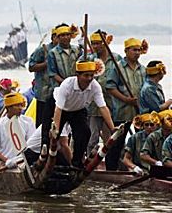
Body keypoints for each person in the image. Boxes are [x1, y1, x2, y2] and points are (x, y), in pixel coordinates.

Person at [52, 61, 116, 167]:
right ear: (77, 75)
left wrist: (112, 128)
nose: (89, 78)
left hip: (78, 109)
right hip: (59, 108)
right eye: (86, 75)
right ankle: (52, 163)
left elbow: (103, 108)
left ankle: (76, 163)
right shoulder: (67, 84)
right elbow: (58, 109)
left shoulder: (95, 86)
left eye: (91, 75)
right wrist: (55, 129)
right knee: (51, 137)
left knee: (85, 133)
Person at [105, 38, 146, 170]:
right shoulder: (117, 67)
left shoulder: (143, 69)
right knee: (117, 141)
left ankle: (139, 166)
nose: (137, 53)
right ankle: (111, 169)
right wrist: (126, 99)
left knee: (142, 140)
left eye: (139, 50)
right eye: (134, 50)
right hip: (122, 110)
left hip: (139, 111)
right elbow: (110, 87)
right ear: (126, 51)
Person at [40, 23, 80, 153]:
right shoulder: (53, 53)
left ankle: (76, 158)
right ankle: (45, 153)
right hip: (57, 93)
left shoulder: (77, 50)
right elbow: (52, 73)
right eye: (62, 35)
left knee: (80, 129)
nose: (65, 38)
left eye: (67, 35)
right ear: (57, 37)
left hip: (75, 93)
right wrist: (66, 85)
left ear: (71, 36)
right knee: (50, 127)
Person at [84, 30, 122, 156]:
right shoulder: (89, 59)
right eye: (93, 43)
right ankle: (89, 162)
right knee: (92, 137)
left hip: (112, 103)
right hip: (94, 104)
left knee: (110, 137)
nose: (95, 46)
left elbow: (122, 79)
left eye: (98, 43)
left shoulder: (116, 59)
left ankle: (111, 163)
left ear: (106, 43)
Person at [0, 93, 36, 169]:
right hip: (4, 167)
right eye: (17, 105)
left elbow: (31, 144)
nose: (20, 108)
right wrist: (7, 161)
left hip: (23, 165)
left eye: (21, 105)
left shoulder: (28, 121)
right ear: (8, 108)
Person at [28, 28, 57, 127]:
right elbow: (31, 67)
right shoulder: (42, 50)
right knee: (42, 124)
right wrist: (47, 63)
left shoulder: (70, 51)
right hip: (44, 94)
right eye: (60, 36)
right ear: (53, 37)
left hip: (60, 94)